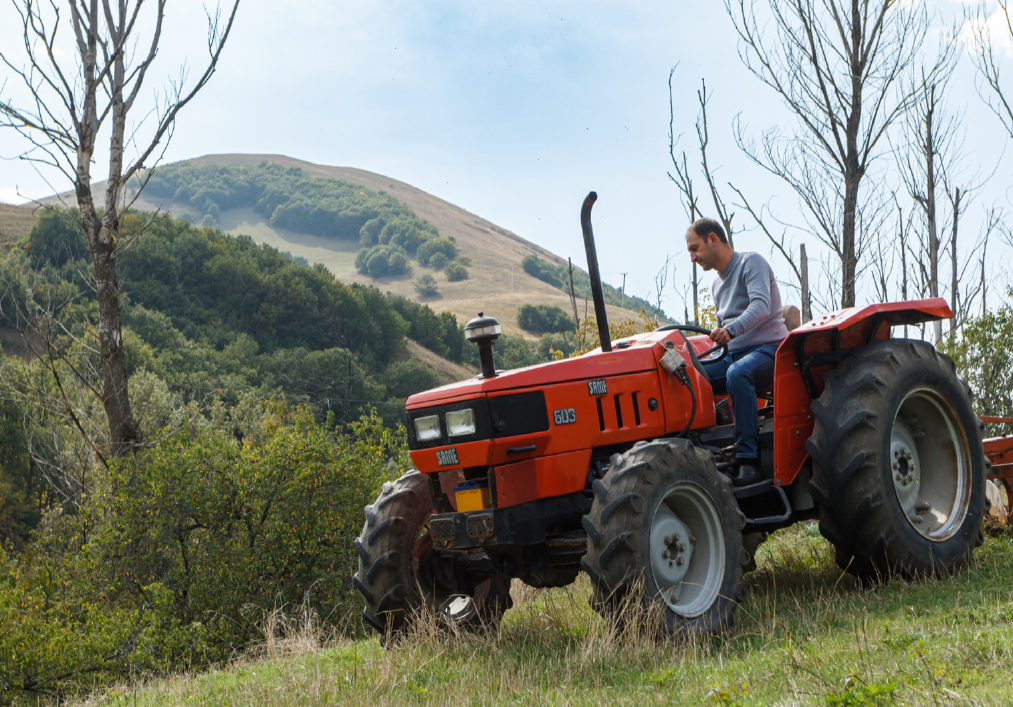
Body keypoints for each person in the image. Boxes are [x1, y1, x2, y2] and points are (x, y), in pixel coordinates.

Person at [685, 218, 789, 486]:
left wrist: (730, 331)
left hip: (769, 349)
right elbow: (724, 334)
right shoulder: (716, 285)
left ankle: (748, 460)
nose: (693, 257)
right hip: (734, 353)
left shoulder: (750, 262)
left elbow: (761, 306)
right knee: (690, 378)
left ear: (712, 238)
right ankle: (702, 457)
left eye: (694, 249)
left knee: (738, 374)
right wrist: (719, 339)